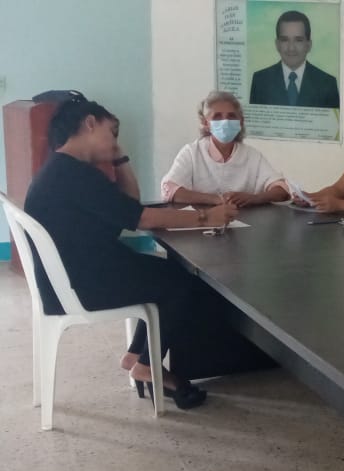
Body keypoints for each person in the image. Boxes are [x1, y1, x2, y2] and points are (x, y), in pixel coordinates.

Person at [24, 94, 241, 409]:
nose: (115, 143)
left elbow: (129, 205)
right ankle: (146, 366)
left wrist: (119, 158)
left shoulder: (63, 169)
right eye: (112, 133)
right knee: (182, 281)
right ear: (90, 123)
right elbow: (142, 218)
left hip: (72, 276)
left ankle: (136, 356)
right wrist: (207, 217)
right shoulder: (74, 175)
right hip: (81, 285)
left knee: (169, 273)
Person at [160, 91, 290, 206]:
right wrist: (215, 199)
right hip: (202, 221)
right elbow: (169, 189)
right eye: (217, 116)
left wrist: (254, 198)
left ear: (241, 121)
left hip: (244, 222)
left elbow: (282, 190)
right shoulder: (192, 153)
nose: (225, 122)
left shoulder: (252, 156)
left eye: (231, 116)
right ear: (205, 123)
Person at [249, 10, 339, 108]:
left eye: (298, 40)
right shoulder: (260, 81)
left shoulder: (327, 84)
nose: (291, 48)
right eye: (285, 40)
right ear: (277, 44)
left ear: (308, 45)